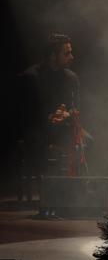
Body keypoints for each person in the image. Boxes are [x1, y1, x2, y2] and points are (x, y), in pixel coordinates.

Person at [18, 33, 80, 200]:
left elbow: (76, 107)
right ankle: (48, 194)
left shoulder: (71, 78)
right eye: (66, 53)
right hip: (38, 128)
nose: (71, 57)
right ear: (53, 55)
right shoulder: (31, 77)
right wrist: (49, 117)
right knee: (37, 143)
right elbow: (23, 112)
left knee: (87, 141)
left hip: (62, 128)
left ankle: (77, 191)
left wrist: (67, 114)